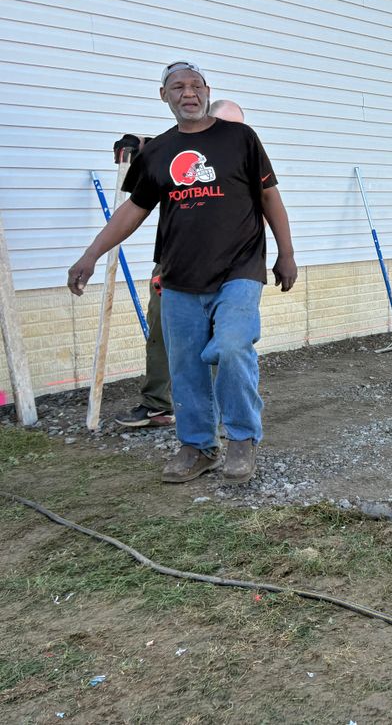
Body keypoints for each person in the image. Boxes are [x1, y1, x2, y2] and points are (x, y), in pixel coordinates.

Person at [69, 63, 295, 485]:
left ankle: (242, 438)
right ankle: (198, 447)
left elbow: (269, 196)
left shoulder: (240, 138)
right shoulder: (157, 152)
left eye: (195, 85)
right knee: (187, 365)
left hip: (240, 268)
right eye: (178, 87)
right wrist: (91, 255)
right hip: (178, 275)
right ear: (164, 95)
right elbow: (133, 211)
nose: (188, 93)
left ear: (207, 91)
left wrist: (286, 252)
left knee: (231, 347)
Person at [112, 98, 248, 431]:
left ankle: (221, 415)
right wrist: (135, 149)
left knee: (224, 340)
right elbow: (158, 153)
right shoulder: (180, 148)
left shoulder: (245, 154)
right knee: (162, 332)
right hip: (174, 265)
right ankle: (157, 405)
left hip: (229, 268)